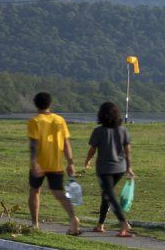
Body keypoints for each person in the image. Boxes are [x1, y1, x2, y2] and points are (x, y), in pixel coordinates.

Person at [25, 92, 82, 235]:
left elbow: (34, 144)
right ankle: (73, 218)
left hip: (39, 163)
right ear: (50, 104)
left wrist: (33, 162)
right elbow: (66, 143)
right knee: (59, 194)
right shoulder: (59, 120)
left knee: (34, 191)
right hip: (56, 164)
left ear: (36, 104)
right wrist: (70, 162)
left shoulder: (35, 121)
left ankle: (35, 224)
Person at [84, 100, 136, 238]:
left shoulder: (98, 131)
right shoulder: (123, 130)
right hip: (120, 168)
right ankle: (100, 224)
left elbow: (93, 149)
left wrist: (87, 160)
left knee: (110, 195)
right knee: (106, 195)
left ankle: (124, 223)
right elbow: (127, 151)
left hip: (104, 169)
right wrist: (129, 168)